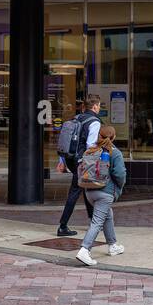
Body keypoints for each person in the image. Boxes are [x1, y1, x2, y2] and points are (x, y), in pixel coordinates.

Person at [75, 124, 126, 266]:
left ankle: (112, 245)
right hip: (105, 193)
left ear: (99, 136)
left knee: (107, 215)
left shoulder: (90, 150)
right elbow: (120, 174)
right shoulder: (114, 153)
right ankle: (85, 250)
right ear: (113, 137)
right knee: (97, 221)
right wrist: (119, 187)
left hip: (89, 191)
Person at [55, 96, 101, 236]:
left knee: (86, 187)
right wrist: (94, 161)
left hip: (71, 159)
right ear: (94, 107)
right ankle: (63, 226)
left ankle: (94, 221)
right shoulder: (94, 122)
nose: (99, 108)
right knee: (75, 192)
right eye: (99, 106)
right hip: (82, 161)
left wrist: (62, 161)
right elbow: (90, 144)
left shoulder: (77, 118)